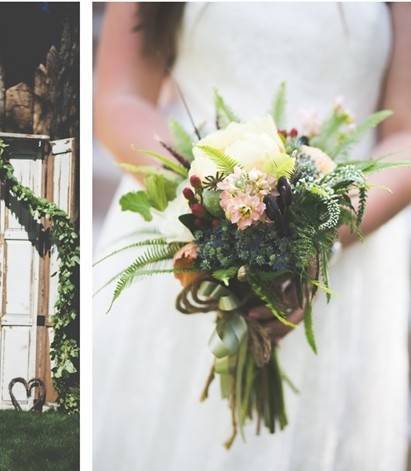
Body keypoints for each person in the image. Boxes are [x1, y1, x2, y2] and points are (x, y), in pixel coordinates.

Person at [94, 3, 411, 470]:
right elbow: (120, 96)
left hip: (346, 249)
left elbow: (405, 132)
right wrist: (210, 203)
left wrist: (319, 238)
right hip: (187, 234)